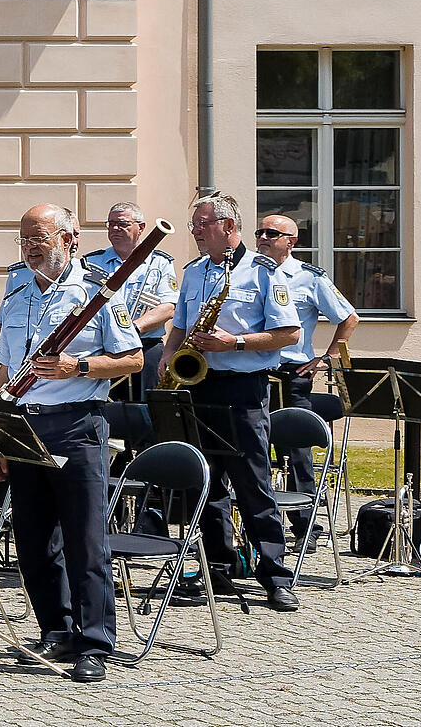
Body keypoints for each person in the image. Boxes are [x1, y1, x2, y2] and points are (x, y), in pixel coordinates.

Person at [0, 204, 142, 683]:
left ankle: (94, 641)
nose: (32, 247)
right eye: (25, 239)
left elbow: (133, 359)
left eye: (41, 238)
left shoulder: (97, 293)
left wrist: (79, 368)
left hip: (77, 424)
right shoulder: (15, 296)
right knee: (32, 539)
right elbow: (4, 371)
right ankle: (55, 628)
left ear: (70, 240)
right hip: (25, 426)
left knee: (84, 539)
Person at [168, 191, 302, 612]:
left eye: (202, 225)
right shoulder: (193, 272)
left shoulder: (263, 272)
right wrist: (170, 354)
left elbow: (290, 333)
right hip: (198, 386)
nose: (195, 232)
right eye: (194, 225)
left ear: (228, 227)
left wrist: (236, 342)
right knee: (204, 484)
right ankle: (217, 568)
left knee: (253, 484)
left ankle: (275, 575)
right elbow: (179, 323)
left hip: (243, 388)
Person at [257, 214, 356, 504]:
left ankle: (305, 525)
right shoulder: (251, 272)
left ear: (291, 241)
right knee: (254, 448)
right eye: (259, 232)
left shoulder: (308, 277)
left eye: (271, 234)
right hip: (254, 369)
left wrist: (330, 356)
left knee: (296, 451)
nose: (263, 238)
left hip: (291, 371)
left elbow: (348, 317)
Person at [85, 202, 179, 397]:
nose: (115, 229)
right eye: (111, 224)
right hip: (105, 349)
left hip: (147, 346)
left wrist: (132, 328)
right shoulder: (91, 262)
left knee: (148, 410)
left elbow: (168, 307)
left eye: (122, 224)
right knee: (107, 405)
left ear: (141, 228)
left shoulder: (160, 263)